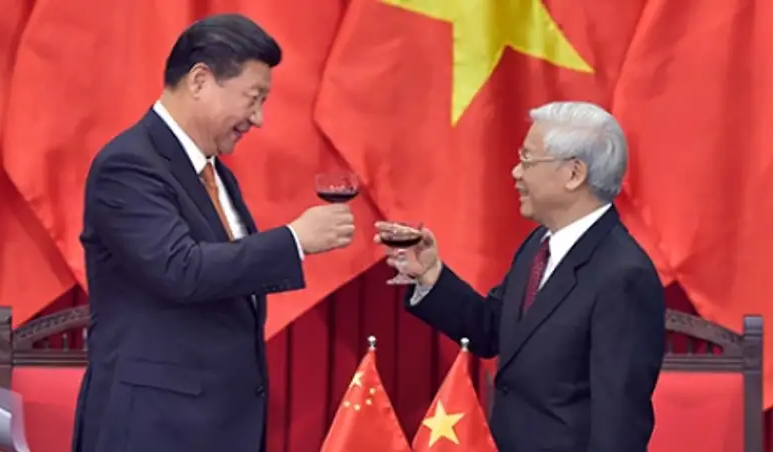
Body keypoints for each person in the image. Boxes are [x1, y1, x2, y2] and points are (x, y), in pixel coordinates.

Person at [72, 14, 355, 452]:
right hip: (154, 428)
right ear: (200, 80)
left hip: (218, 425)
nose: (258, 118)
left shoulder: (216, 173)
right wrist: (294, 240)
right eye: (253, 98)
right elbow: (180, 269)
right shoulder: (128, 165)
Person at [376, 101, 666, 452]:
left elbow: (619, 426)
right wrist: (429, 274)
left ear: (574, 174)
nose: (516, 172)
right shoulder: (539, 245)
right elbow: (491, 330)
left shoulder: (624, 277)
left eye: (527, 160)